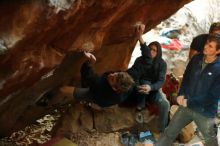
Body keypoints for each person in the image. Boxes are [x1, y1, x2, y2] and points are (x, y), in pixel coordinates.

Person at [156, 34, 220, 146]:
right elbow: (186, 77)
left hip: (204, 112)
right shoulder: (196, 58)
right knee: (169, 133)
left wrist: (189, 102)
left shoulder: (218, 68)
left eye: (210, 46)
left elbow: (212, 96)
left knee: (210, 141)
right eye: (206, 44)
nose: (206, 47)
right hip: (186, 107)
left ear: (218, 51)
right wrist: (182, 93)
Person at [127, 24, 170, 133]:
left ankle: (162, 130)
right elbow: (134, 75)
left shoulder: (162, 64)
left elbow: (161, 81)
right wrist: (137, 86)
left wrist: (150, 87)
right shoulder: (140, 60)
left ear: (158, 52)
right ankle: (140, 106)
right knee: (143, 82)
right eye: (150, 49)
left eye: (154, 50)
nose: (151, 51)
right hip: (139, 89)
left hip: (153, 90)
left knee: (165, 104)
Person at [58, 51, 135, 108]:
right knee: (88, 83)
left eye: (112, 79)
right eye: (116, 73)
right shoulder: (129, 82)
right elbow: (144, 63)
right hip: (103, 93)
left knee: (63, 90)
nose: (111, 75)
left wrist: (90, 63)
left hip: (98, 97)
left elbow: (88, 76)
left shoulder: (102, 87)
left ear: (114, 88)